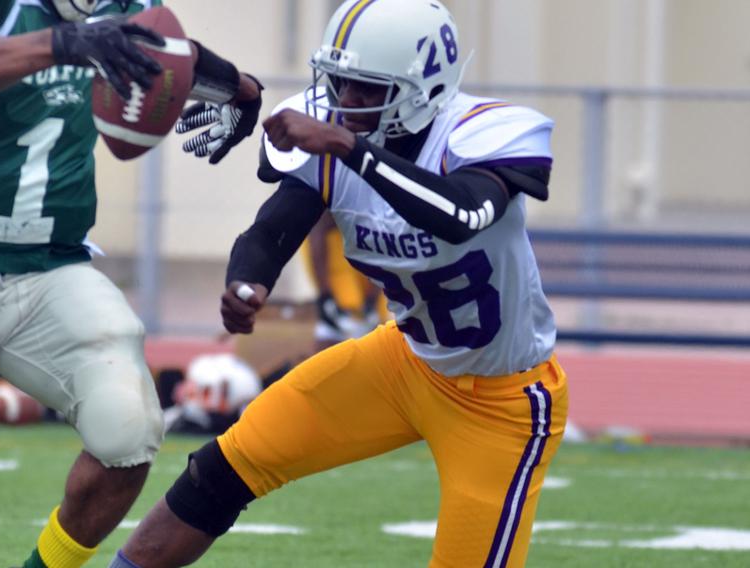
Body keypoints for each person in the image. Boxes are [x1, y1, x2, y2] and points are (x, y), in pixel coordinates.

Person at [112, 0, 568, 567]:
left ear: (425, 87)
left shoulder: (481, 133)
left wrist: (354, 151)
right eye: (340, 83)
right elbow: (272, 230)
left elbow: (461, 214)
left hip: (502, 397)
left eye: (365, 89)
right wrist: (247, 283)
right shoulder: (335, 137)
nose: (344, 103)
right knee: (223, 468)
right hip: (404, 363)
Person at [0, 1, 262, 567]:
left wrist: (240, 89)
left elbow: (165, 55)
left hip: (51, 272)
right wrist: (66, 44)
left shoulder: (117, 8)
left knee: (128, 431)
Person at [303, 210, 384, 351]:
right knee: (333, 341)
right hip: (342, 281)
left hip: (363, 278)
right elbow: (318, 229)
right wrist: (326, 295)